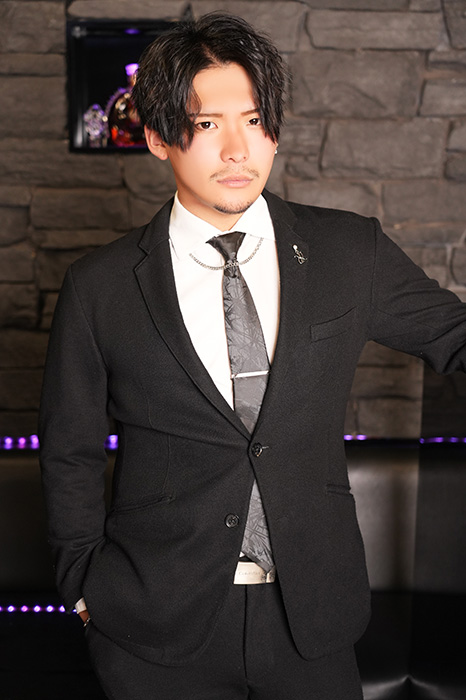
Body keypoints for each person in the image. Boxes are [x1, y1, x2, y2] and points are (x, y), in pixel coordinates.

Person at [39, 13, 466, 700]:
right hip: (154, 626)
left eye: (255, 120)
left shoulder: (349, 251)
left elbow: (455, 334)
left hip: (312, 618)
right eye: (207, 124)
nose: (237, 149)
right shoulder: (100, 287)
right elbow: (70, 452)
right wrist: (84, 593)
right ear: (157, 137)